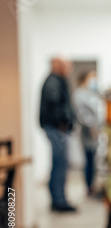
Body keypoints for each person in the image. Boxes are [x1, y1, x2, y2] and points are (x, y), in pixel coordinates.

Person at [39, 56, 77, 212]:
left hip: (57, 127)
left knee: (60, 163)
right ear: (58, 65)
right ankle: (59, 200)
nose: (69, 69)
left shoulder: (56, 81)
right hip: (56, 127)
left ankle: (59, 198)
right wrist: (63, 123)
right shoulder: (54, 82)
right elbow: (56, 105)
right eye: (66, 66)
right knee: (60, 164)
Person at [73, 70, 106, 196]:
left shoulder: (91, 94)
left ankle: (93, 185)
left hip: (96, 130)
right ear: (84, 79)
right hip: (88, 131)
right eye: (92, 77)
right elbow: (82, 115)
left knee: (94, 159)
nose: (94, 81)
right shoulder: (79, 94)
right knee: (89, 159)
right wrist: (92, 127)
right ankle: (89, 187)